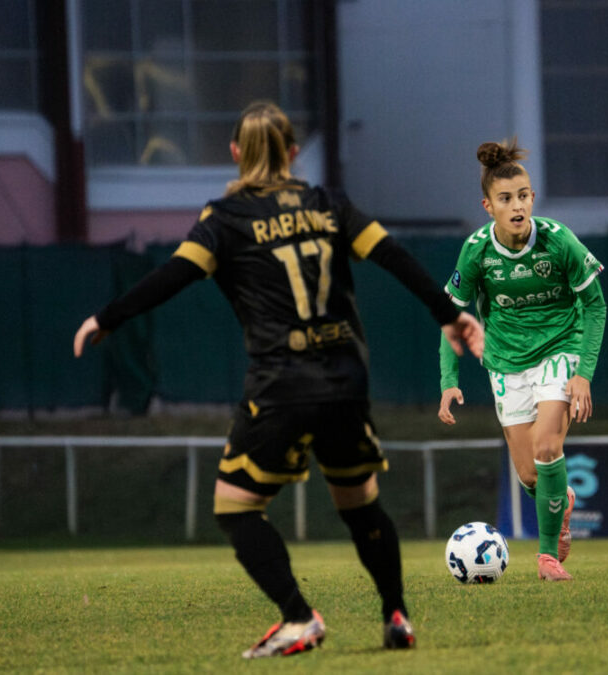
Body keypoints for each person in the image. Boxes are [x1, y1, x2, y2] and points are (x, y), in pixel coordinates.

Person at [73, 101, 484, 658]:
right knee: (361, 503)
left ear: (237, 154)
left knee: (235, 507)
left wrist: (107, 317)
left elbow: (173, 275)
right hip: (343, 377)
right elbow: (393, 256)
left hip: (281, 380)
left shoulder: (224, 218)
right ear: (293, 152)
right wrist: (449, 314)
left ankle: (298, 617)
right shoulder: (328, 204)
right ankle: (397, 616)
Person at [437, 138, 606, 581]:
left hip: (559, 348)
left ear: (532, 197)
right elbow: (449, 317)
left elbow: (596, 305)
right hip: (505, 363)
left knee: (548, 446)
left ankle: (547, 557)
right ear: (488, 205)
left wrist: (583, 375)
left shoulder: (558, 241)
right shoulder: (476, 250)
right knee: (531, 476)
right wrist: (449, 379)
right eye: (506, 198)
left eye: (524, 196)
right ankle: (561, 501)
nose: (517, 206)